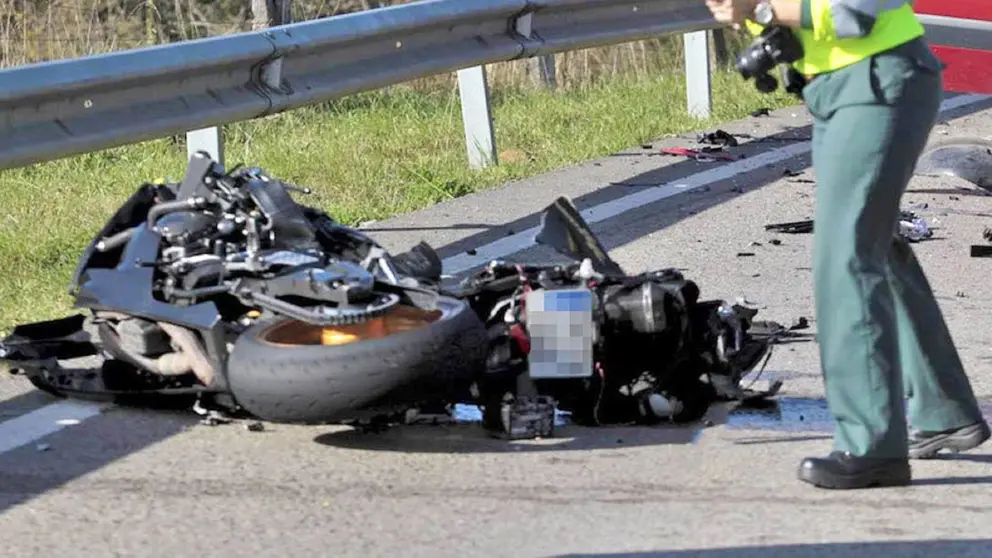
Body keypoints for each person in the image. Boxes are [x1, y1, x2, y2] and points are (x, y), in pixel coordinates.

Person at [702, 0, 991, 489]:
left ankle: (872, 446)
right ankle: (943, 411)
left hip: (879, 84)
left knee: (847, 259)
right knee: (876, 248)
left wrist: (763, 9)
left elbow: (855, 10)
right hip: (846, 88)